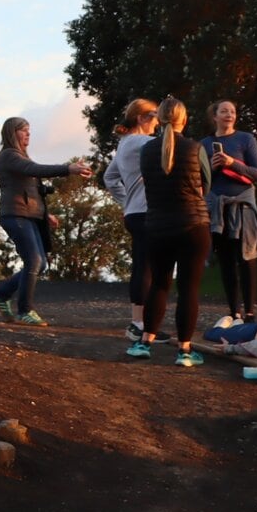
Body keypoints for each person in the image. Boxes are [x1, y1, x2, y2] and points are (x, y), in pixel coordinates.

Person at [127, 97, 212, 366]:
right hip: (193, 225)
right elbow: (206, 186)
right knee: (188, 289)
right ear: (184, 120)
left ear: (160, 120)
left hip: (157, 226)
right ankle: (185, 350)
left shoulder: (146, 151)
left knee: (159, 284)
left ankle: (145, 342)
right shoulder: (195, 147)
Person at [0, 116, 92, 326]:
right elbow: (36, 170)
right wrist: (67, 169)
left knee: (40, 262)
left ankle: (0, 295)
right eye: (23, 130)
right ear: (11, 133)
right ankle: (25, 311)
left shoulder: (21, 157)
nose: (28, 134)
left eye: (29, 130)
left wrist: (45, 215)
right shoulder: (9, 156)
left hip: (29, 215)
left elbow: (32, 190)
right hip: (14, 214)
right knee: (34, 260)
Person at [203, 99, 257, 323]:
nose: (229, 114)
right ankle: (234, 312)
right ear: (215, 116)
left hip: (244, 206)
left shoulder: (245, 139)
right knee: (226, 260)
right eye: (224, 111)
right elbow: (199, 180)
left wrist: (232, 163)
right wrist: (211, 168)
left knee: (247, 257)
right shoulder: (204, 144)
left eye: (232, 111)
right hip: (217, 207)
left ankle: (250, 313)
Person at [101, 98, 161, 343]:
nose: (157, 123)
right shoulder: (142, 142)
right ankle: (140, 325)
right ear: (141, 118)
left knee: (141, 264)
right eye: (155, 117)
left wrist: (126, 201)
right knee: (148, 267)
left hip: (134, 212)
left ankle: (139, 321)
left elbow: (109, 177)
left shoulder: (124, 144)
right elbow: (171, 147)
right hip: (148, 211)